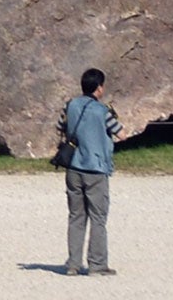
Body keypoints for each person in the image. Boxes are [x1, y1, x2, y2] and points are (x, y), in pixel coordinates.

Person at [60, 67, 122, 277]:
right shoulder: (102, 111)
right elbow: (121, 133)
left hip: (73, 167)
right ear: (99, 88)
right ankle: (97, 264)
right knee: (98, 218)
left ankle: (73, 264)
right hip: (95, 169)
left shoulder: (70, 106)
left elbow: (61, 126)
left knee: (76, 216)